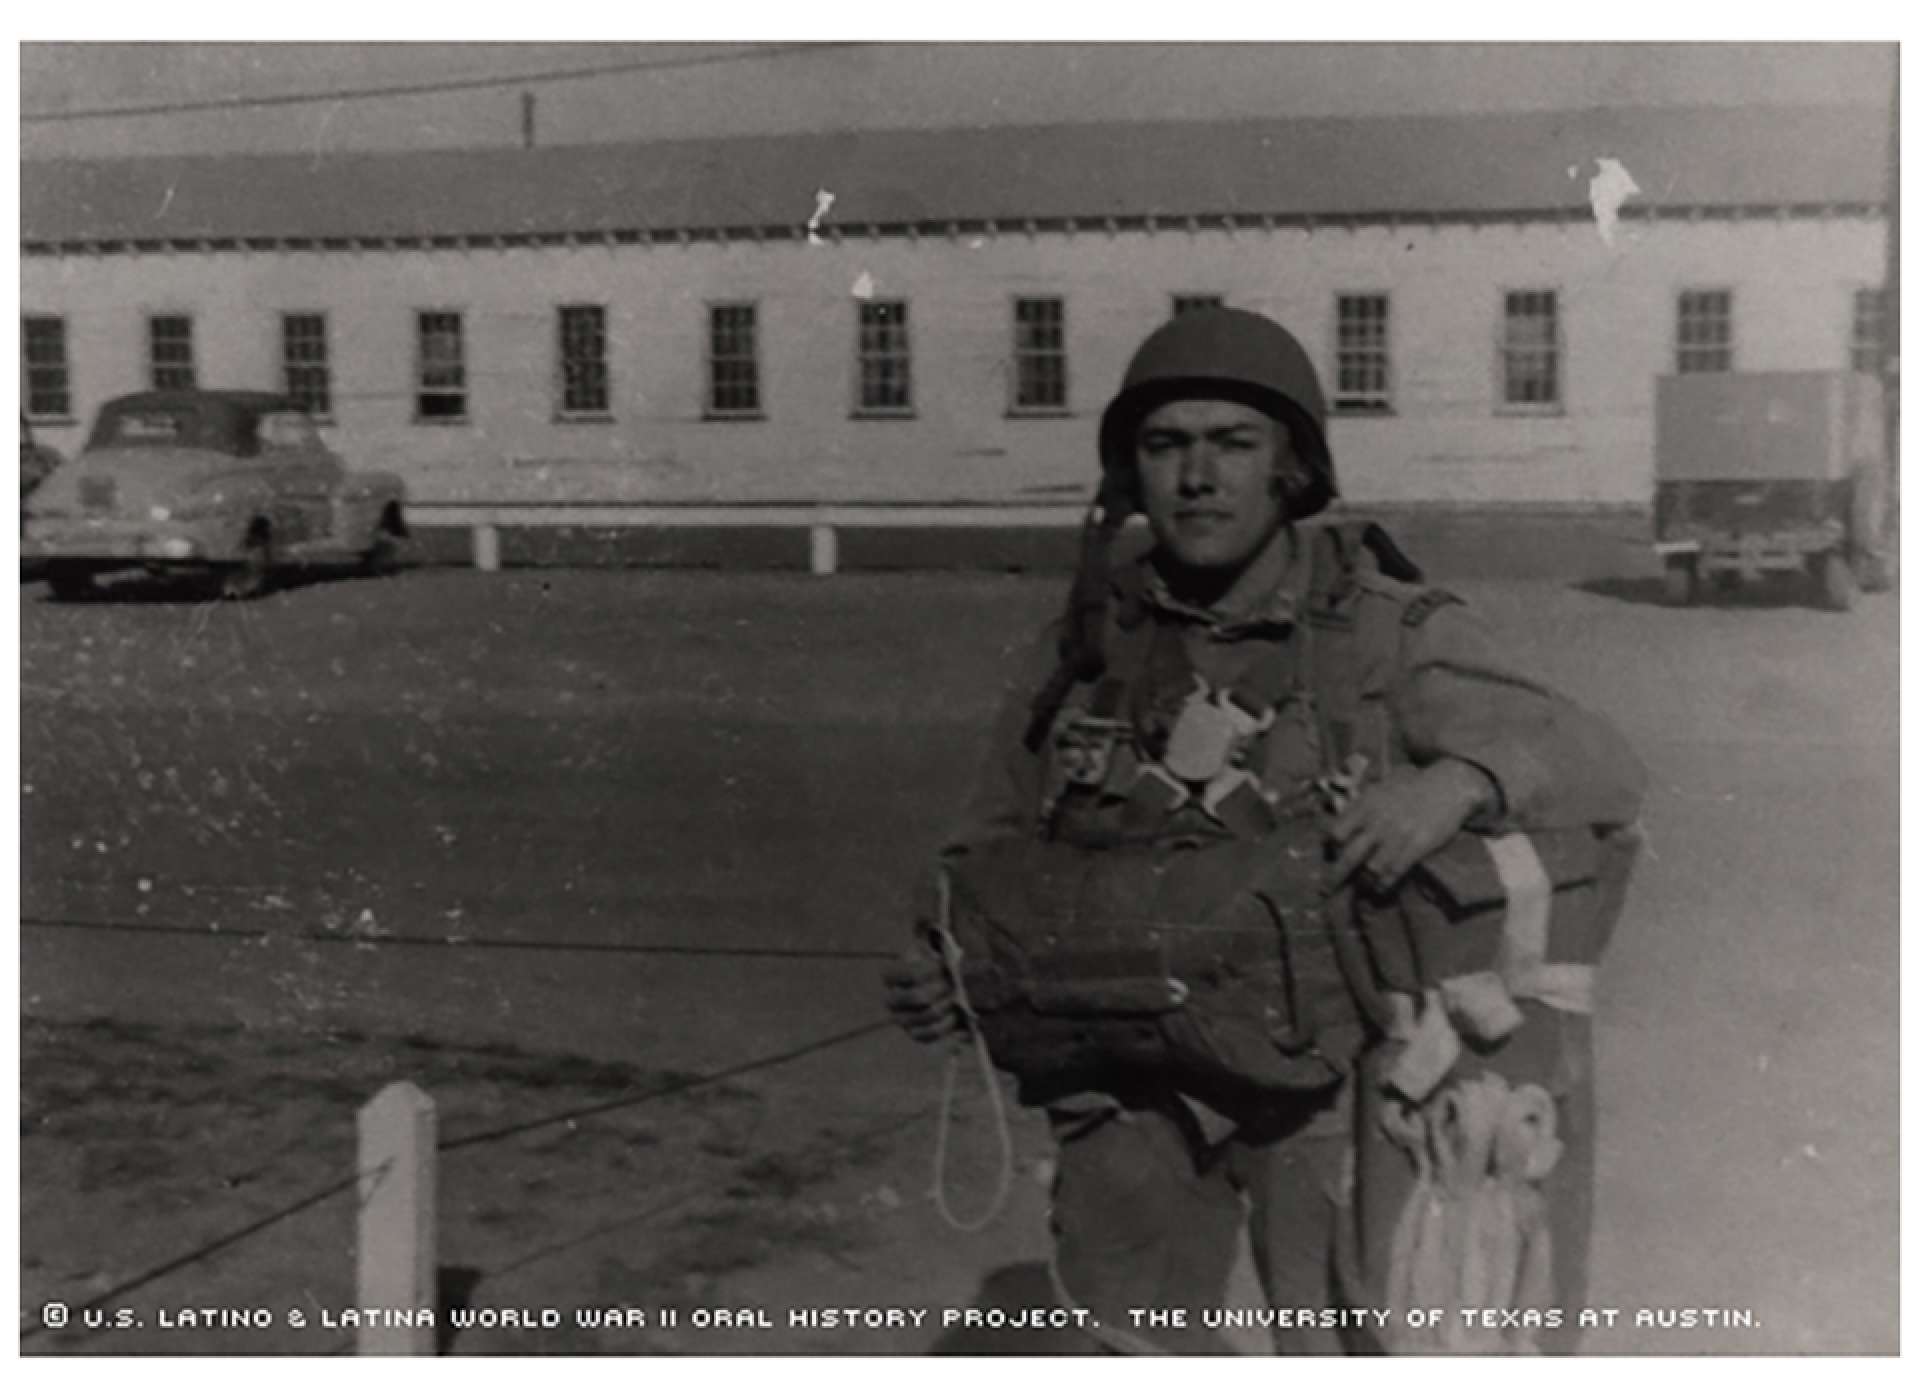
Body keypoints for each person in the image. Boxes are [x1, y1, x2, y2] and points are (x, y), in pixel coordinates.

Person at [885, 307, 1645, 1355]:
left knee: (1348, 1341)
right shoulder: (1087, 642)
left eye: (1233, 443)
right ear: (1130, 472)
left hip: (1323, 1091)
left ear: (1291, 468)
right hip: (1130, 1081)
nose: (1198, 475)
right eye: (1166, 444)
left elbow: (1597, 754)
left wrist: (1458, 781)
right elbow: (985, 844)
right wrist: (941, 961)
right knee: (1126, 1343)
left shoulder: (1383, 628)